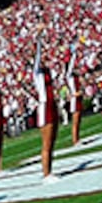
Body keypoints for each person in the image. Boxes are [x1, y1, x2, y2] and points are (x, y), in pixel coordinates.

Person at [31, 39, 59, 182]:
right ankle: (46, 173)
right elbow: (37, 55)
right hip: (44, 106)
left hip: (52, 104)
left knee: (53, 140)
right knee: (46, 143)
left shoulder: (48, 70)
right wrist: (40, 37)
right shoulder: (36, 73)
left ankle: (50, 170)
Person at [63, 47, 83, 147]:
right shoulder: (69, 75)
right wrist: (74, 54)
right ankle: (75, 140)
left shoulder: (74, 75)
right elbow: (70, 66)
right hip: (75, 99)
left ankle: (77, 138)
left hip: (77, 97)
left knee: (78, 120)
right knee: (75, 121)